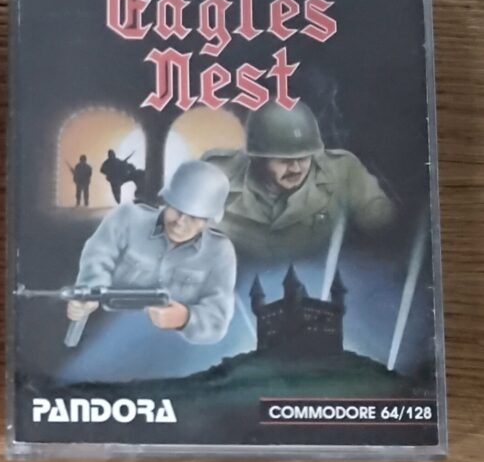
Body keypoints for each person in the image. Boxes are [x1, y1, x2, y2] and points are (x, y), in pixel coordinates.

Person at [67, 160, 236, 345]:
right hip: (103, 339)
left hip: (170, 351)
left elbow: (217, 319)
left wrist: (186, 318)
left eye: (194, 217)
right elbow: (97, 258)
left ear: (208, 220)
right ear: (166, 201)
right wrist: (89, 294)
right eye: (176, 209)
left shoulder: (219, 252)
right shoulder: (127, 218)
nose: (180, 222)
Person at [202, 100, 395, 262]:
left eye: (303, 158)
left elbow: (384, 223)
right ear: (258, 157)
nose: (295, 168)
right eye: (284, 160)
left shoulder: (342, 172)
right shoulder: (215, 177)